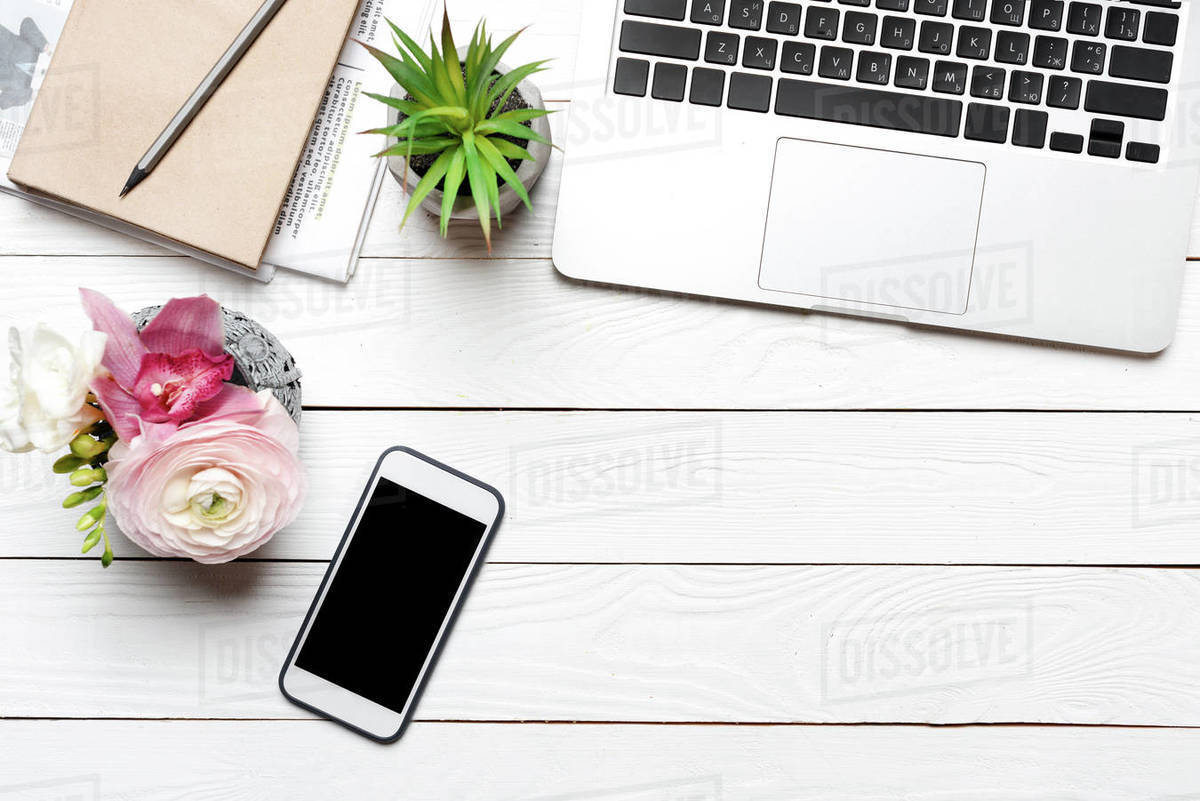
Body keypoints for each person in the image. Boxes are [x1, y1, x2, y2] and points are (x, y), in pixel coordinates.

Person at [0, 17, 48, 111]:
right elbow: (26, 23)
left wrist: (30, 95)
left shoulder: (22, 89)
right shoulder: (35, 48)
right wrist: (44, 45)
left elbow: (3, 102)